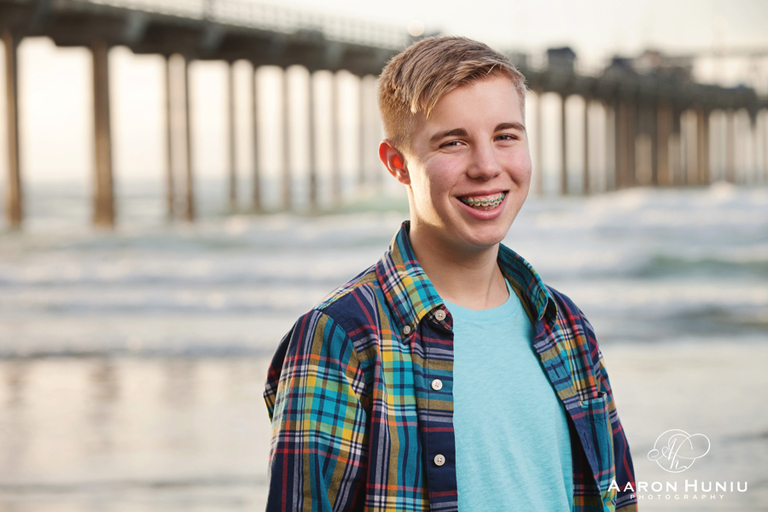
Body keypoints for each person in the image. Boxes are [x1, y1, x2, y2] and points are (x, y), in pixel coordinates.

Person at [264, 35, 637, 512]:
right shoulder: (342, 338)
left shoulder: (566, 326)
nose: (487, 166)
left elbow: (619, 496)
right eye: (453, 142)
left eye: (506, 136)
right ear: (398, 164)